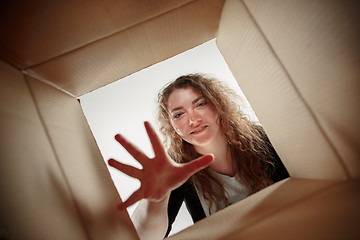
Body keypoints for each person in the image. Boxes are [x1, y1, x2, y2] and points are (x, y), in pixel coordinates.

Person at [108, 74, 289, 240]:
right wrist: (156, 201)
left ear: (218, 106)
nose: (193, 120)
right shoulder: (175, 168)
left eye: (200, 104)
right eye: (179, 114)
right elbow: (143, 237)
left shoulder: (262, 139)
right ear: (172, 127)